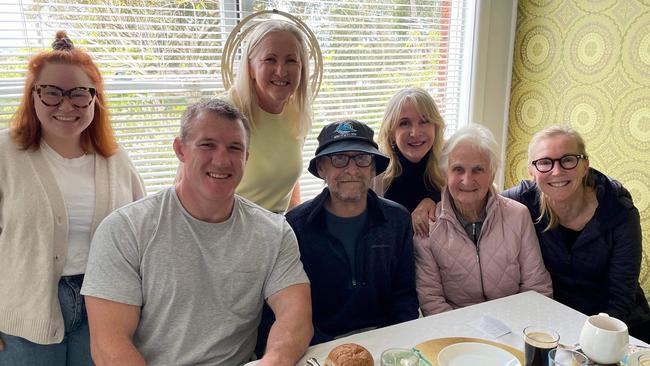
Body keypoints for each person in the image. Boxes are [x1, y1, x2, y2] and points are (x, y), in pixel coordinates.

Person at [81, 99, 312, 365]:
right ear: (180, 149)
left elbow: (295, 317)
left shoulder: (274, 232)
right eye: (207, 145)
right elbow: (109, 345)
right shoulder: (125, 230)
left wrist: (273, 362)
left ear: (246, 157)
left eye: (235, 148)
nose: (222, 159)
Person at [0, 31, 145, 365]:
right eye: (51, 93)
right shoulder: (5, 154)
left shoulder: (116, 160)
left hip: (104, 312)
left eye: (79, 94)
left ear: (95, 98)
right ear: (33, 96)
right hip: (23, 315)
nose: (66, 105)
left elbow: (143, 236)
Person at [503, 125, 650, 341]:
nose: (557, 171)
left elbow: (621, 297)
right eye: (545, 162)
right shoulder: (523, 200)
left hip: (620, 328)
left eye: (568, 160)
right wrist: (433, 199)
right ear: (532, 172)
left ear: (585, 166)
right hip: (558, 323)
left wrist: (592, 341)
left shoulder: (619, 212)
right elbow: (479, 201)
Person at [287, 120, 419, 344]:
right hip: (320, 346)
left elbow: (404, 296)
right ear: (321, 168)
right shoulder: (295, 227)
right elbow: (290, 312)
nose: (352, 169)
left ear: (373, 168)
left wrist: (395, 343)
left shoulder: (397, 220)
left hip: (385, 340)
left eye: (362, 158)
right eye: (339, 159)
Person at [177, 19, 313, 213]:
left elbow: (288, 183)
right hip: (223, 228)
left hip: (274, 229)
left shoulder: (297, 115)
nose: (281, 71)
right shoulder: (220, 114)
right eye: (270, 59)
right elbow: (184, 185)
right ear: (250, 66)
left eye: (291, 60)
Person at [415, 124, 552, 316]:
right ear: (445, 174)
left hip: (513, 322)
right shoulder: (428, 226)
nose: (467, 179)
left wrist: (517, 327)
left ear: (492, 174)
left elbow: (537, 286)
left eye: (478, 169)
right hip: (456, 330)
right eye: (458, 169)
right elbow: (431, 301)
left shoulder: (518, 215)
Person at [375, 88, 446, 236]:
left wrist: (433, 200)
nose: (415, 132)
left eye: (424, 121)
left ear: (436, 127)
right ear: (391, 133)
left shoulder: (450, 163)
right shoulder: (376, 171)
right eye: (404, 123)